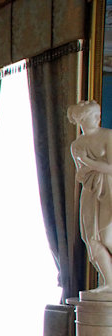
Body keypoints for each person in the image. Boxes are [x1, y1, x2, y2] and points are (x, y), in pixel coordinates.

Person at [69, 100, 112, 295]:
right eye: (94, 115)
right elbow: (80, 175)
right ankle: (108, 283)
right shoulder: (77, 144)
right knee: (91, 238)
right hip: (90, 191)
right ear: (82, 119)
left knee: (107, 235)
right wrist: (87, 166)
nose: (98, 118)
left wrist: (87, 161)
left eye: (98, 114)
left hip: (109, 189)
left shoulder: (108, 136)